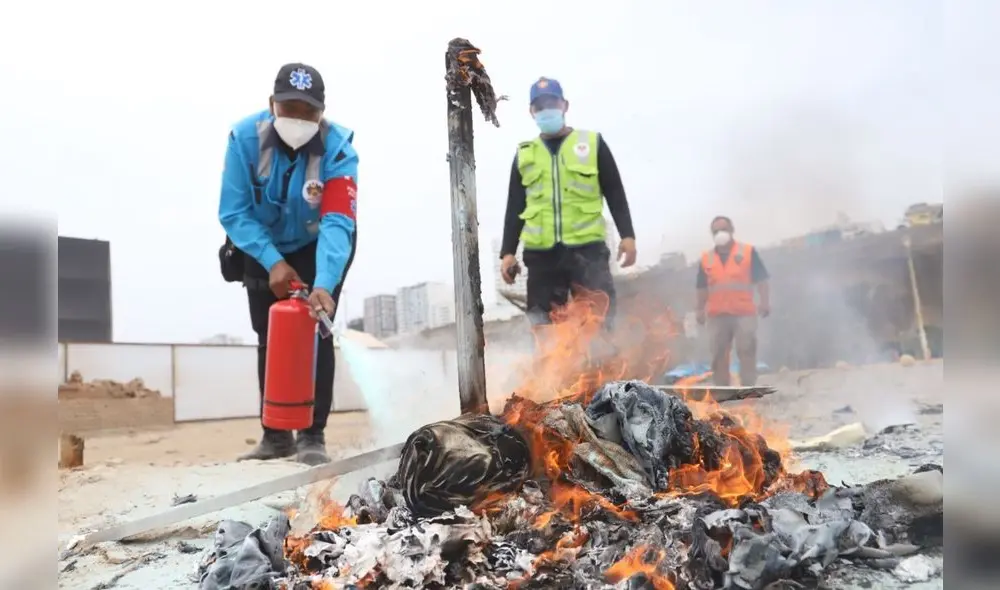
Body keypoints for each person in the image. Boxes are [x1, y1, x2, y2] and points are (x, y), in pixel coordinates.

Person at [218, 63, 359, 465]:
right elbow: (234, 211)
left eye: (308, 112)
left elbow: (337, 221)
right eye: (289, 108)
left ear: (322, 112)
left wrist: (325, 284)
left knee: (318, 327)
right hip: (259, 242)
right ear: (271, 105)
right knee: (270, 330)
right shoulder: (244, 139)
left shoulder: (339, 149)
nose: (298, 120)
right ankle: (275, 434)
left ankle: (312, 435)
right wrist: (271, 262)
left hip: (319, 245)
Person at [499, 77, 637, 329]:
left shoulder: (592, 143)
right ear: (531, 111)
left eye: (551, 103)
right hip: (543, 259)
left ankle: (605, 366)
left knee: (600, 322)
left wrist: (627, 235)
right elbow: (515, 205)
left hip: (587, 253)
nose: (545, 111)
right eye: (539, 107)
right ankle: (553, 370)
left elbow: (614, 191)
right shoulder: (525, 153)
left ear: (565, 105)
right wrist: (508, 252)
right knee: (545, 329)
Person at [695, 215, 770, 387]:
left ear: (731, 230)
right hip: (717, 315)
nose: (720, 233)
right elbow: (701, 287)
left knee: (747, 351)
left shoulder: (747, 252)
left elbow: (762, 280)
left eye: (724, 229)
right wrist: (699, 309)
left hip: (743, 312)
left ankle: (748, 389)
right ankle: (723, 391)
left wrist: (765, 302)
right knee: (719, 355)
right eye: (716, 231)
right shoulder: (707, 258)